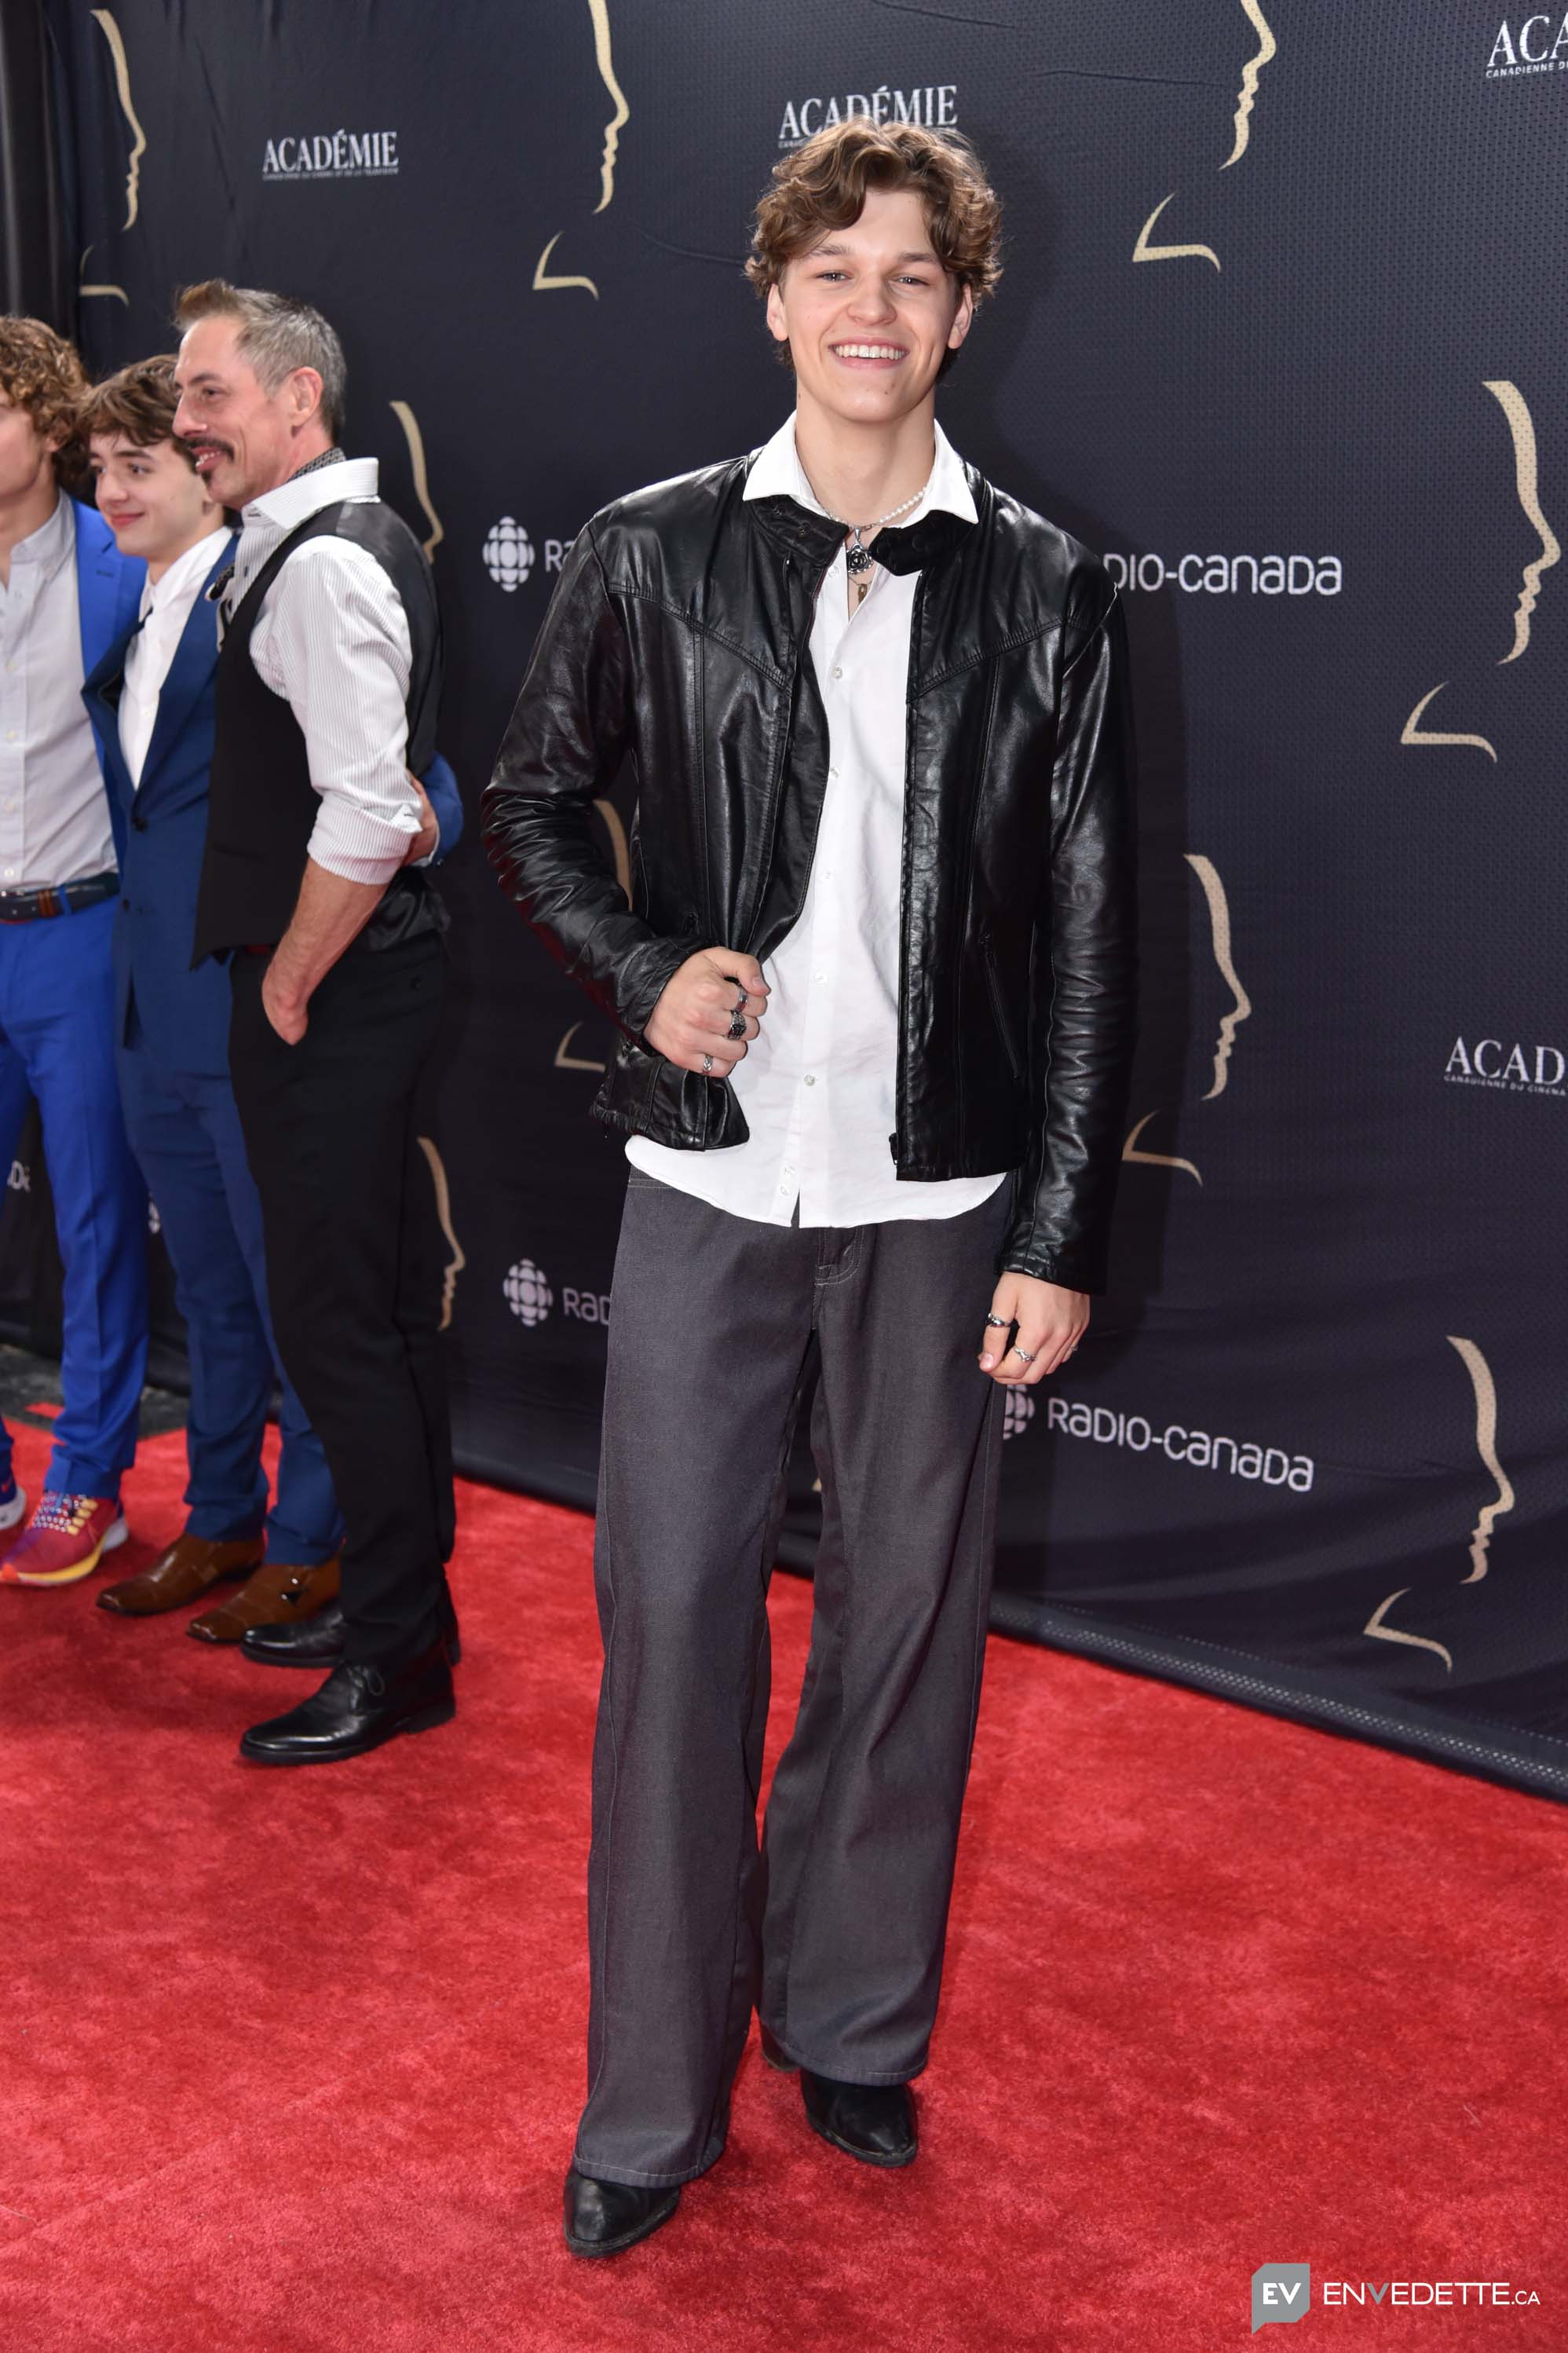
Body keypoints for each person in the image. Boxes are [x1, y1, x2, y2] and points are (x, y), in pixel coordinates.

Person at [482, 118, 1138, 2258]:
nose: (873, 307)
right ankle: (649, 2097)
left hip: (940, 1199)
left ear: (966, 309)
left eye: (912, 273)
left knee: (908, 1621)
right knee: (676, 1624)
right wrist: (646, 967)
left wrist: (1057, 1225)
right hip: (713, 1178)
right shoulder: (651, 549)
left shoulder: (1049, 586)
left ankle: (851, 2018)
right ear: (774, 298)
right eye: (834, 268)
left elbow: (1092, 935)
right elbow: (530, 805)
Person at [78, 354, 464, 1643]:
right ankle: (222, 1518)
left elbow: (409, 783)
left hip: (257, 1007)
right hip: (147, 1012)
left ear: (209, 475)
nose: (114, 490)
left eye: (143, 463)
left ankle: (311, 1548)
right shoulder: (137, 615)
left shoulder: (287, 583)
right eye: (103, 468)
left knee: (301, 1295)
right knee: (214, 1294)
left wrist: (415, 839)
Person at [169, 280, 459, 1763]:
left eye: (209, 394)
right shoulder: (308, 544)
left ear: (299, 401)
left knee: (341, 1328)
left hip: (332, 997)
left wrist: (286, 978)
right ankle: (403, 1618)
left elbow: (370, 807)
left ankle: (397, 1656)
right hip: (357, 987)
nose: (184, 423)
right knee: (372, 1321)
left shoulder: (327, 563)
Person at [0, 318, 148, 1587]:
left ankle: (88, 1477)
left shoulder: (124, 558)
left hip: (84, 930)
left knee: (98, 1214)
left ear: (50, 426)